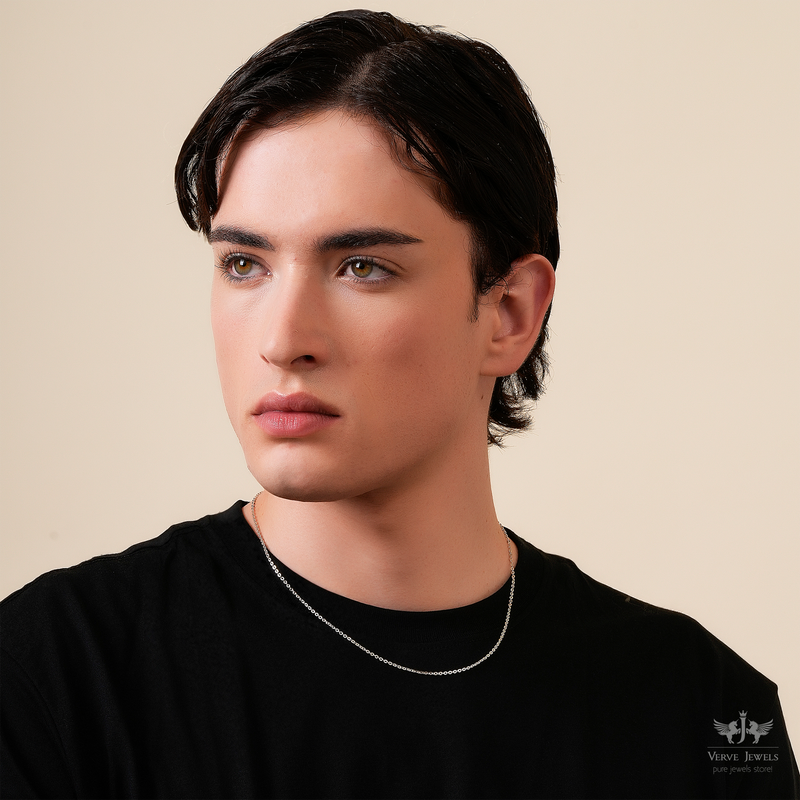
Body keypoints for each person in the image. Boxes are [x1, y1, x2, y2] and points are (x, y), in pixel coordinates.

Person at [0, 9, 797, 798]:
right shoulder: (53, 676)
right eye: (244, 264)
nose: (283, 340)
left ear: (509, 314)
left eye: (363, 267)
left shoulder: (705, 714)